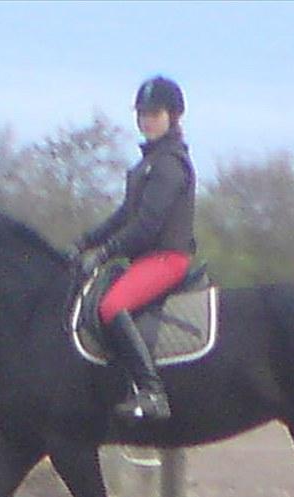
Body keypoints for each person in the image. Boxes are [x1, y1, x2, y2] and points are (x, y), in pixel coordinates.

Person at [74, 76, 196, 421]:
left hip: (167, 259)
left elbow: (146, 226)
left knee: (112, 306)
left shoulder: (169, 164)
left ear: (173, 116)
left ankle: (152, 391)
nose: (146, 121)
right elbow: (124, 216)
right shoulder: (147, 164)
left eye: (154, 114)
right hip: (145, 260)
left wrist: (104, 253)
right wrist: (85, 242)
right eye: (142, 114)